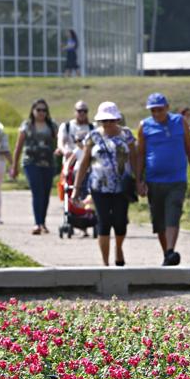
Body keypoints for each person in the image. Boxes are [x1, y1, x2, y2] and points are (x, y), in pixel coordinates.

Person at [134, 92, 190, 266]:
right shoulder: (144, 126)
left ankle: (171, 249)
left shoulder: (180, 122)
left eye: (160, 109)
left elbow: (189, 149)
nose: (157, 113)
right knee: (159, 221)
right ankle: (167, 254)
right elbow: (140, 154)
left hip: (176, 179)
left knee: (173, 214)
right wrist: (139, 180)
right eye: (153, 110)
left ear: (167, 107)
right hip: (154, 181)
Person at [72, 102, 137, 266]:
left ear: (117, 119)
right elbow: (84, 163)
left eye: (111, 120)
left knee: (120, 221)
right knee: (104, 222)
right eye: (104, 121)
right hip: (99, 187)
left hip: (122, 186)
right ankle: (105, 264)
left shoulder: (127, 134)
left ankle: (119, 248)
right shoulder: (93, 136)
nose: (107, 124)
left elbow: (134, 159)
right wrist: (76, 189)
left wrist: (140, 180)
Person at [12, 99, 58, 234]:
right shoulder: (26, 125)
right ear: (33, 111)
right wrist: (14, 165)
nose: (41, 113)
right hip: (31, 162)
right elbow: (18, 146)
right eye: (38, 110)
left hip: (48, 163)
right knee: (37, 192)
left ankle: (42, 222)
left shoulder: (52, 126)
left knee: (46, 193)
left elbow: (58, 142)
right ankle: (37, 223)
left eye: (44, 110)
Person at [57, 100, 93, 183]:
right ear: (75, 111)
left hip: (87, 165)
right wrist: (65, 151)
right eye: (79, 111)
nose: (82, 113)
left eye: (85, 111)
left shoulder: (92, 127)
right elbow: (60, 142)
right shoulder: (66, 126)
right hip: (70, 165)